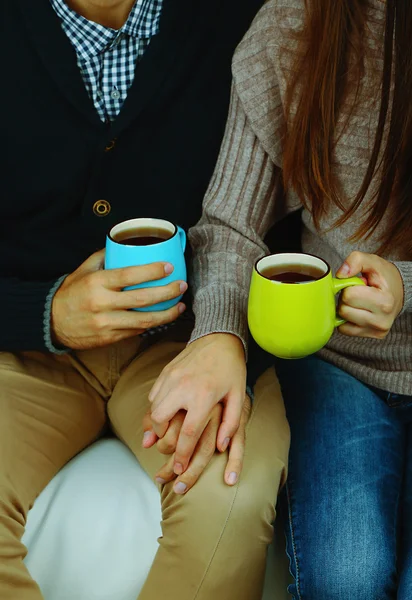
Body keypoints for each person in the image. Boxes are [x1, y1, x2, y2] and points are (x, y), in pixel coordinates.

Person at [0, 1, 291, 599]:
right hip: (23, 351)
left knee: (228, 499)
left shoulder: (242, 19)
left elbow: (277, 224)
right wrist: (44, 311)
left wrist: (224, 335)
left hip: (189, 346)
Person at [187, 0, 412, 598]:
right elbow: (229, 225)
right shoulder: (296, 25)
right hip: (338, 368)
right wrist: (218, 334)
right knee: (345, 579)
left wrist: (406, 288)